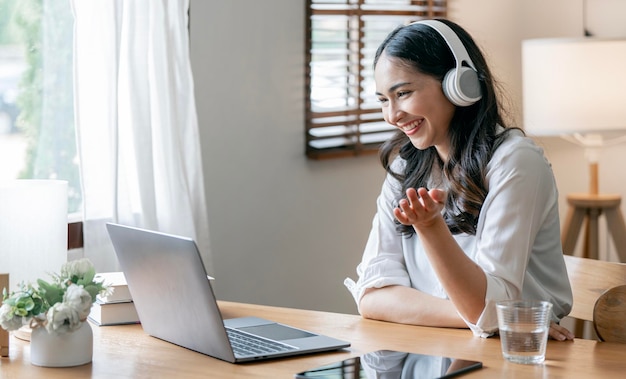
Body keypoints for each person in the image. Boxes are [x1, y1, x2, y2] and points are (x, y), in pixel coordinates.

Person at [344, 18, 574, 341]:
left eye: (403, 93)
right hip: (437, 349)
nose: (392, 115)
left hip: (515, 356)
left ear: (459, 84)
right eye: (384, 99)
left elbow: (487, 309)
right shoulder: (406, 167)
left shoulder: (516, 163)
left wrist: (430, 228)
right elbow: (371, 296)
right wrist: (484, 317)